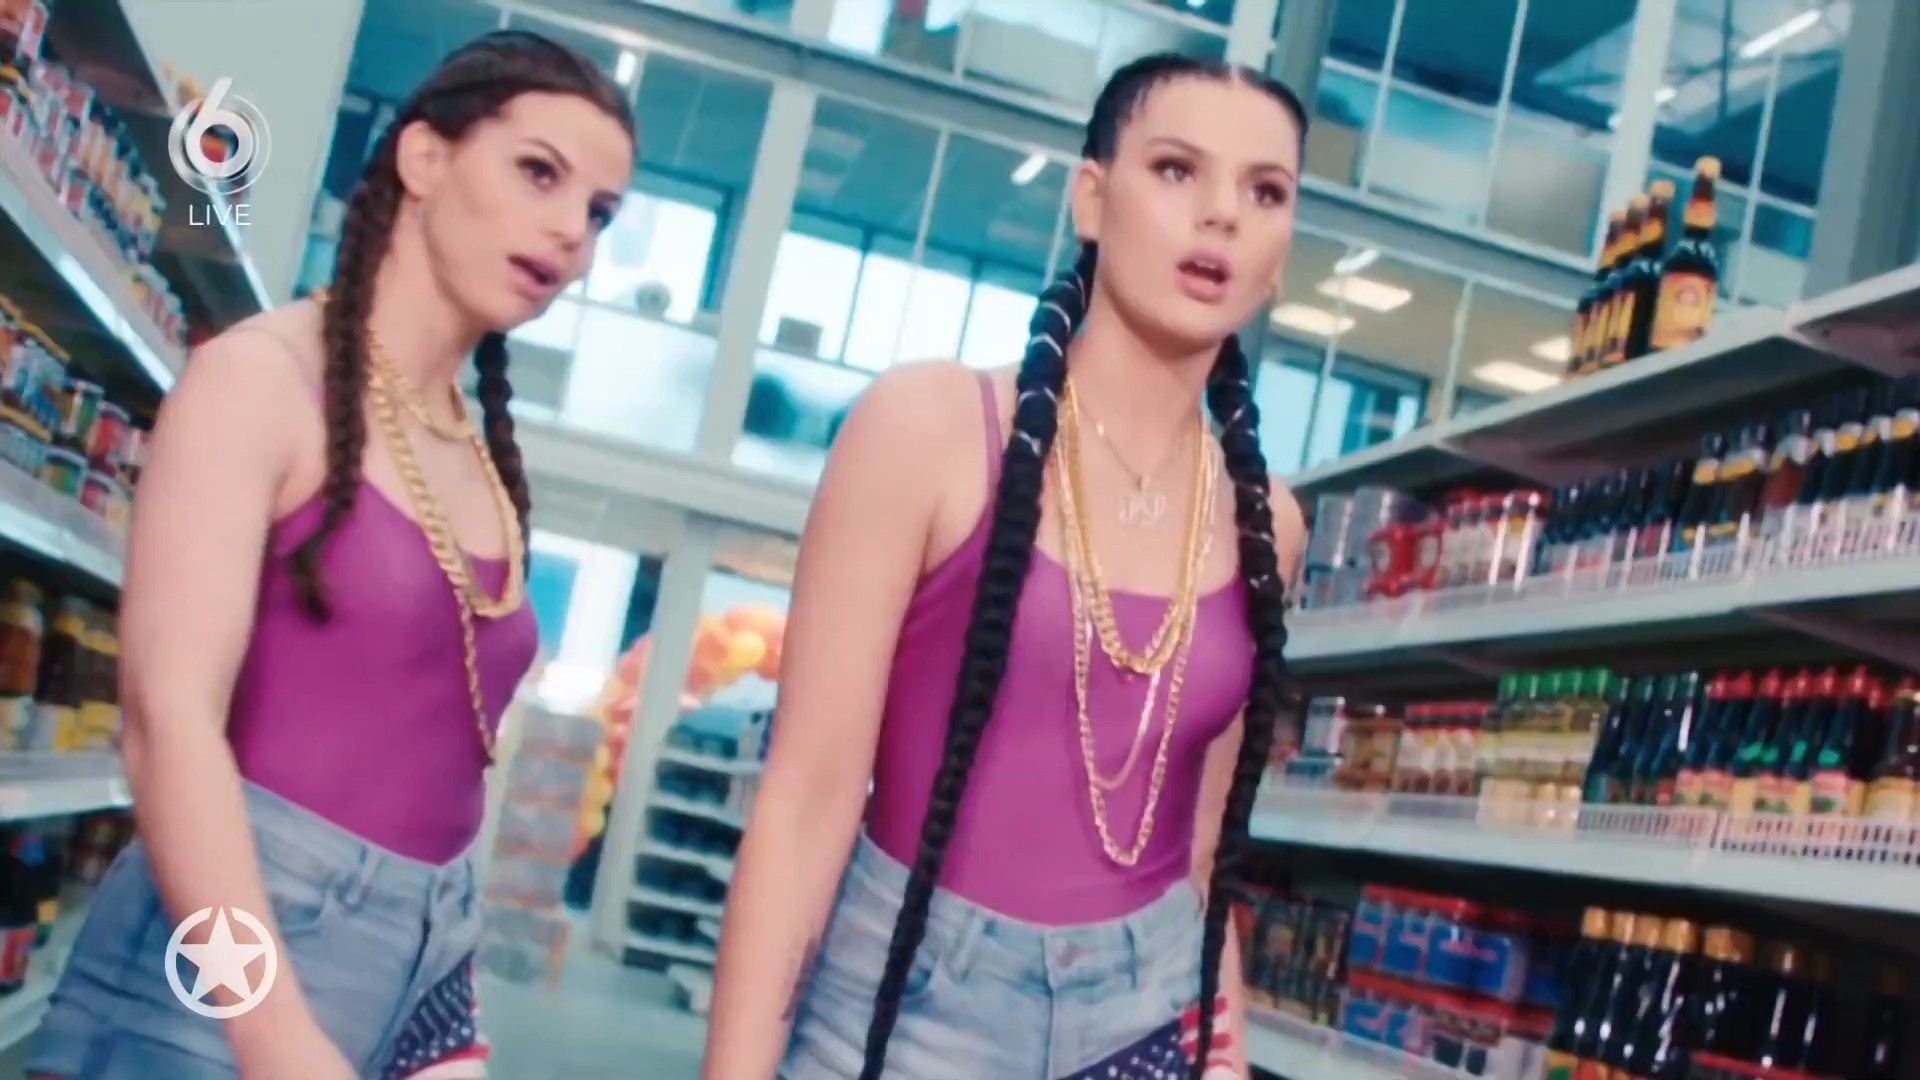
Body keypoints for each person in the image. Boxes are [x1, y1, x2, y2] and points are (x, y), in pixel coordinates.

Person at [27, 31, 633, 1080]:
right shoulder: (260, 384)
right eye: (539, 172)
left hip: (416, 959)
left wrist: (448, 1016)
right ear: (425, 158)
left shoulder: (476, 453)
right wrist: (271, 1032)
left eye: (600, 212)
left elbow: (445, 765)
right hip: (219, 974)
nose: (571, 232)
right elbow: (165, 726)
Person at [705, 53, 1308, 1080]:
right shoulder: (927, 430)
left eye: (1265, 192)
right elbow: (804, 802)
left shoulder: (1266, 525)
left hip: (1146, 1018)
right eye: (1176, 170)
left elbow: (1202, 853)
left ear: (1282, 254)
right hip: (907, 1004)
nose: (1222, 214)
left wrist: (1228, 1062)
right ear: (1091, 198)